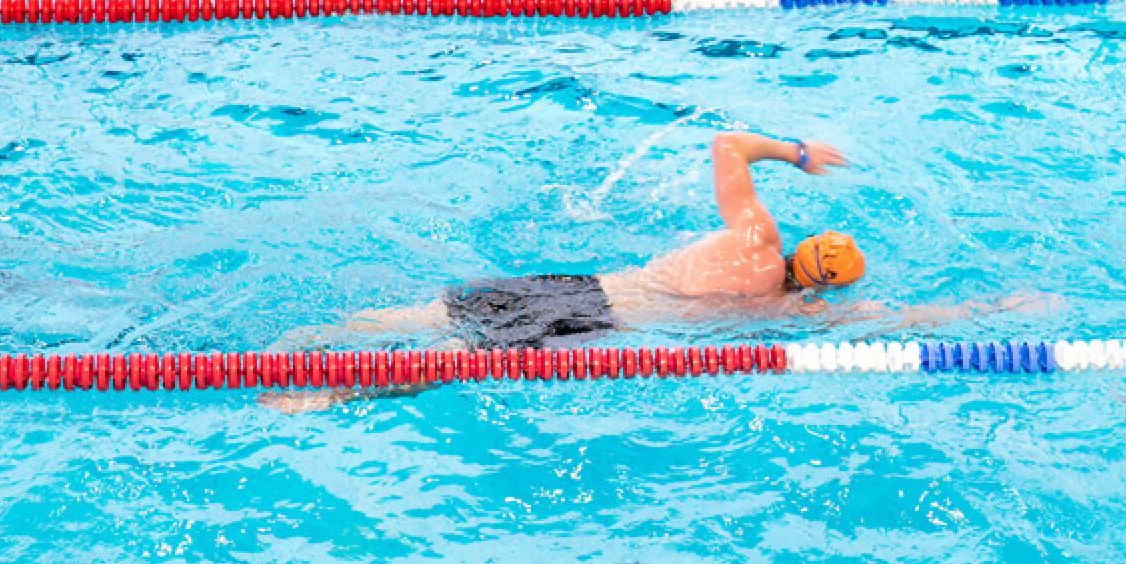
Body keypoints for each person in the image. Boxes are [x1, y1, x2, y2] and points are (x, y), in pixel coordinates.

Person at [263, 132, 1043, 410]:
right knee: (447, 365)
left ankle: (300, 342)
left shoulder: (755, 234)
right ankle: (323, 395)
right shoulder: (793, 314)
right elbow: (902, 323)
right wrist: (998, 311)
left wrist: (798, 153)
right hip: (595, 324)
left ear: (803, 244)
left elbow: (726, 144)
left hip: (577, 286)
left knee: (423, 320)